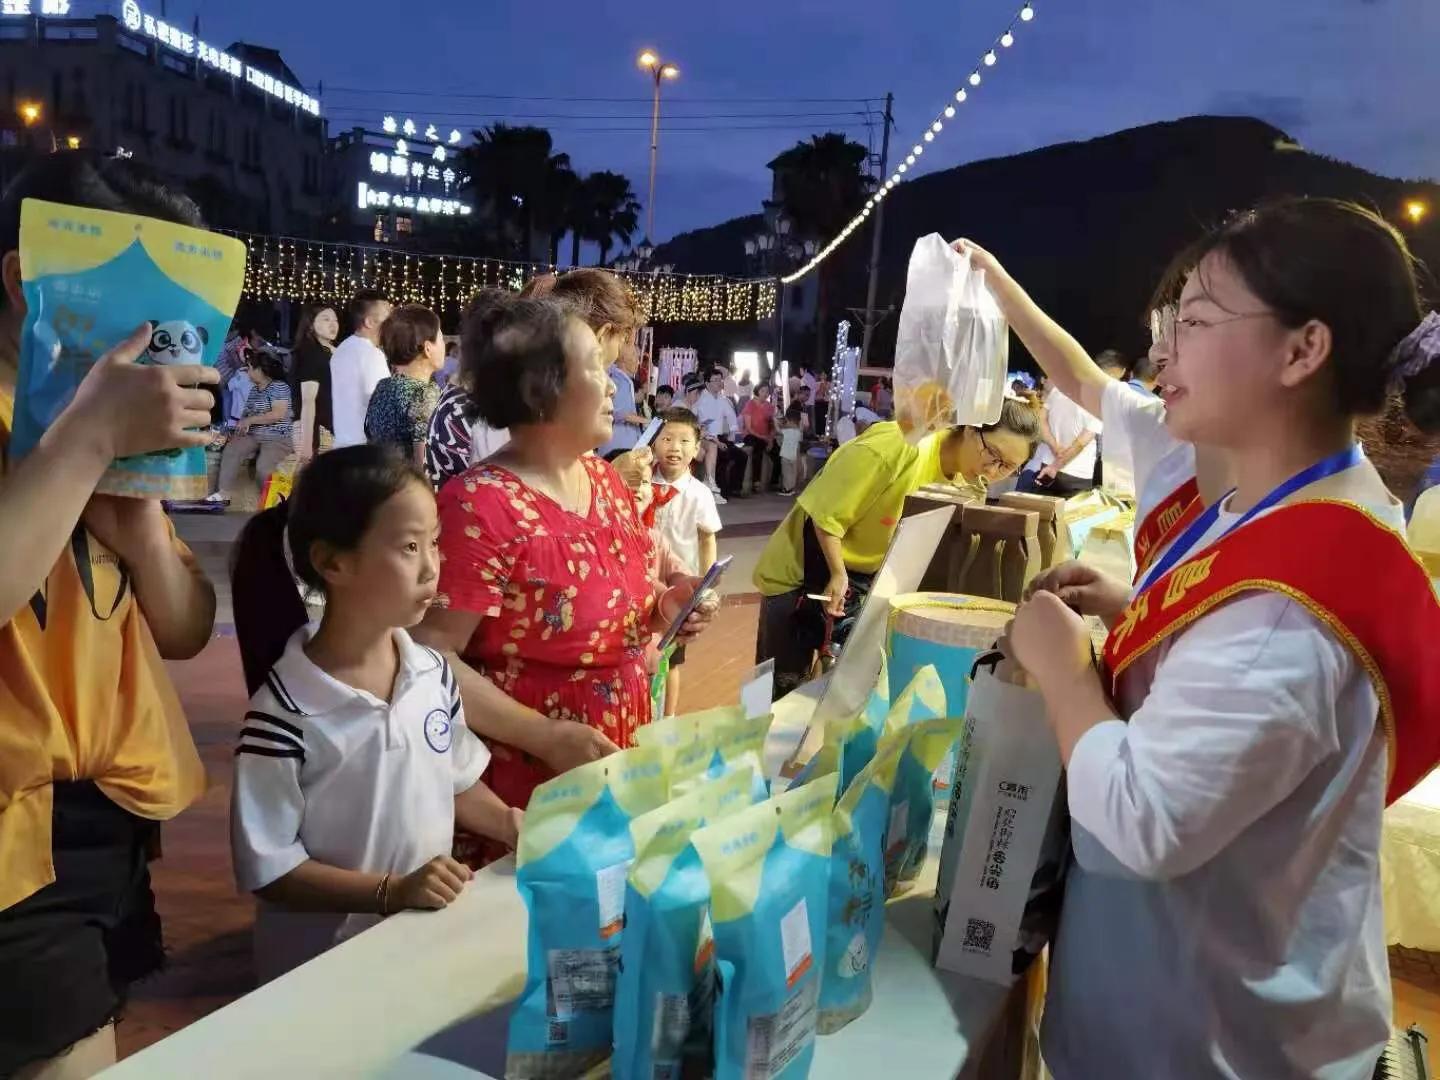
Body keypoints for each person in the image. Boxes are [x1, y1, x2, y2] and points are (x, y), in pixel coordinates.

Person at [960, 197, 1440, 1077]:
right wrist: (1132, 611)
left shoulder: (1294, 599)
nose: (1161, 352)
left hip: (1213, 1039)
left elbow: (1144, 821)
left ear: (1303, 350)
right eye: (1167, 321)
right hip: (1193, 991)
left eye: (1197, 320)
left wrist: (1065, 669)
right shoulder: (1271, 501)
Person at [0, 152, 220, 1079]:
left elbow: (183, 627)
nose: (149, 341)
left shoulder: (104, 420)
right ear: (24, 277)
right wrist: (86, 440)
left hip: (112, 814)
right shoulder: (79, 419)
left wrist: (135, 523)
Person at [411, 291, 715, 866]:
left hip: (616, 751)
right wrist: (544, 737)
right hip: (528, 782)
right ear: (541, 390)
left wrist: (667, 606)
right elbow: (432, 658)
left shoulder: (604, 480)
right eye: (596, 368)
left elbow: (627, 593)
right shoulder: (479, 506)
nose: (614, 385)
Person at [228, 444, 520, 983]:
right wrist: (391, 892)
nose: (432, 566)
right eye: (409, 546)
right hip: (317, 971)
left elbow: (452, 780)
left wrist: (509, 823)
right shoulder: (284, 713)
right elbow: (272, 869)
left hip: (414, 950)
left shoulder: (432, 674)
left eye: (434, 542)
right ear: (333, 562)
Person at [754, 406, 1037, 697]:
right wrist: (838, 573)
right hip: (800, 571)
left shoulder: (967, 483)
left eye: (1006, 467)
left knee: (833, 690)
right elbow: (826, 515)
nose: (992, 472)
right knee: (776, 691)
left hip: (858, 579)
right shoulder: (900, 444)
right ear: (969, 427)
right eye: (991, 454)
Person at [651, 407, 723, 716]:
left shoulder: (699, 494)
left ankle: (668, 718)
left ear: (696, 449)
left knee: (672, 657)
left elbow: (707, 539)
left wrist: (706, 583)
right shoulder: (641, 484)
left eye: (684, 441)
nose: (674, 447)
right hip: (644, 582)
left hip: (680, 588)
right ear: (653, 442)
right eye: (667, 438)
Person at [366, 304, 444, 469]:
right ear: (428, 348)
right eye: (441, 338)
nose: (444, 345)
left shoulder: (383, 387)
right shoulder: (425, 393)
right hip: (408, 489)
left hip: (379, 485)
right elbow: (425, 465)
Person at [211, 350, 294, 502]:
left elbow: (277, 414)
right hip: (255, 435)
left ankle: (277, 501)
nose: (247, 371)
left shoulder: (279, 387)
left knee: (263, 467)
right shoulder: (255, 389)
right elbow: (246, 416)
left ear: (260, 370)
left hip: (278, 438)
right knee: (232, 450)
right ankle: (223, 493)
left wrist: (249, 421)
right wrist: (236, 431)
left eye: (250, 367)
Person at [1016, 378, 1105, 497]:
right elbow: (1082, 442)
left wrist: (1055, 447)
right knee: (1071, 514)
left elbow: (1041, 420)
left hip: (1047, 466)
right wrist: (1057, 465)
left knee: (1043, 510)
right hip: (1077, 474)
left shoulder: (1057, 391)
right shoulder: (1096, 400)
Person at [330, 289, 393, 448]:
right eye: (387, 318)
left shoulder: (341, 350)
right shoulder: (372, 354)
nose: (391, 324)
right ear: (369, 322)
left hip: (342, 443)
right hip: (365, 448)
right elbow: (382, 405)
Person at [288, 305, 339, 459]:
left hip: (331, 428)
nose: (333, 324)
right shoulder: (309, 352)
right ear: (310, 324)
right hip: (313, 428)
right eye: (326, 319)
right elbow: (308, 400)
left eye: (335, 320)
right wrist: (307, 444)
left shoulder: (333, 351)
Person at [697, 367, 745, 500]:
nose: (719, 383)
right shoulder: (702, 399)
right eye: (716, 380)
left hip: (721, 437)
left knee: (742, 456)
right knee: (723, 455)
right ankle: (720, 491)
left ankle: (735, 488)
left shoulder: (722, 399)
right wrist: (717, 441)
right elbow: (705, 425)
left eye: (720, 380)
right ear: (707, 383)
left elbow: (732, 418)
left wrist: (736, 436)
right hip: (706, 438)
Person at [598, 334, 644, 457]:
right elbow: (619, 413)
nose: (638, 362)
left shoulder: (620, 377)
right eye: (636, 357)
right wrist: (647, 422)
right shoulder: (620, 380)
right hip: (618, 447)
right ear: (625, 358)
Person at [739, 381, 779, 495]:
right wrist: (763, 438)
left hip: (766, 437)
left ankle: (774, 482)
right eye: (763, 391)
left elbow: (773, 426)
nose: (765, 393)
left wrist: (770, 439)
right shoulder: (750, 404)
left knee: (778, 452)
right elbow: (748, 427)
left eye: (767, 391)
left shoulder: (770, 407)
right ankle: (755, 482)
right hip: (751, 435)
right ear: (757, 391)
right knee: (758, 449)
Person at [778, 403, 806, 495]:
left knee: (786, 473)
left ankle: (787, 489)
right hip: (793, 455)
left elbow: (778, 431)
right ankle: (792, 488)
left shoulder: (786, 431)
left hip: (786, 455)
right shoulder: (798, 432)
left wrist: (775, 422)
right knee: (793, 473)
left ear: (788, 420)